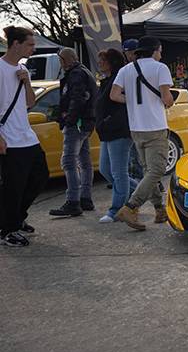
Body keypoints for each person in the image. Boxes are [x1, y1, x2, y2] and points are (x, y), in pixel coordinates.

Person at [110, 36, 175, 230]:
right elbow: (166, 99)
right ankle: (131, 206)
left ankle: (159, 210)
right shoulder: (160, 68)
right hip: (155, 126)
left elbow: (114, 95)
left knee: (149, 171)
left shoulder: (126, 69)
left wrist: (132, 101)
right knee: (157, 170)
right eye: (160, 51)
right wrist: (169, 100)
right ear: (154, 50)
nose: (161, 54)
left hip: (136, 128)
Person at [0, 26, 49, 246]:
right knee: (13, 186)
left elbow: (30, 102)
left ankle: (17, 218)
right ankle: (8, 230)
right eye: (30, 44)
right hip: (8, 137)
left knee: (40, 176)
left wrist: (26, 81)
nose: (33, 49)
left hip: (26, 135)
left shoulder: (22, 69)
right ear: (15, 44)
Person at [49, 47, 98, 217]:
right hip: (85, 123)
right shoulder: (84, 72)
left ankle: (73, 201)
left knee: (69, 161)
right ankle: (85, 199)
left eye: (61, 60)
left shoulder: (76, 74)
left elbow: (78, 98)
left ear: (65, 60)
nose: (60, 64)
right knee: (84, 161)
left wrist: (68, 120)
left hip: (77, 124)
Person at [95, 48, 131, 224]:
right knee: (105, 169)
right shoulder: (106, 81)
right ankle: (140, 191)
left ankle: (116, 210)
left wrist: (109, 121)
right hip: (107, 131)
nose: (99, 63)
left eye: (103, 60)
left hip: (118, 131)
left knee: (118, 172)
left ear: (112, 62)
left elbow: (125, 103)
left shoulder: (120, 79)